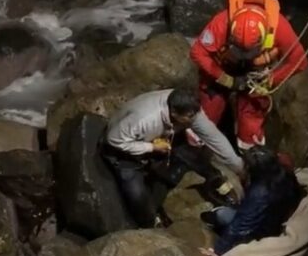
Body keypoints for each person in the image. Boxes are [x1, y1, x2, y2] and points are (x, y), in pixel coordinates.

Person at [102, 87, 243, 228]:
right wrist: (151, 147)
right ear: (174, 112)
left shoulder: (188, 108)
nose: (194, 118)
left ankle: (217, 181)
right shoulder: (144, 119)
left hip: (163, 136)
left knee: (191, 155)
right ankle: (150, 222)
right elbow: (114, 139)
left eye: (195, 113)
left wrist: (237, 164)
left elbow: (212, 136)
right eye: (189, 116)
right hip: (124, 147)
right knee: (136, 192)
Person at [190, 0, 308, 151]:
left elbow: (299, 61)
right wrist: (224, 78)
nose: (245, 55)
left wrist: (271, 79)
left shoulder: (279, 27)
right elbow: (198, 52)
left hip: (256, 74)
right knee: (208, 110)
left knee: (251, 116)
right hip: (223, 66)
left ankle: (250, 152)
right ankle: (196, 147)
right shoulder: (222, 22)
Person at [201, 146, 304, 256]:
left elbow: (240, 225)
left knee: (220, 215)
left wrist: (217, 251)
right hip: (274, 220)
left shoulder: (260, 192)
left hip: (261, 230)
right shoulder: (284, 175)